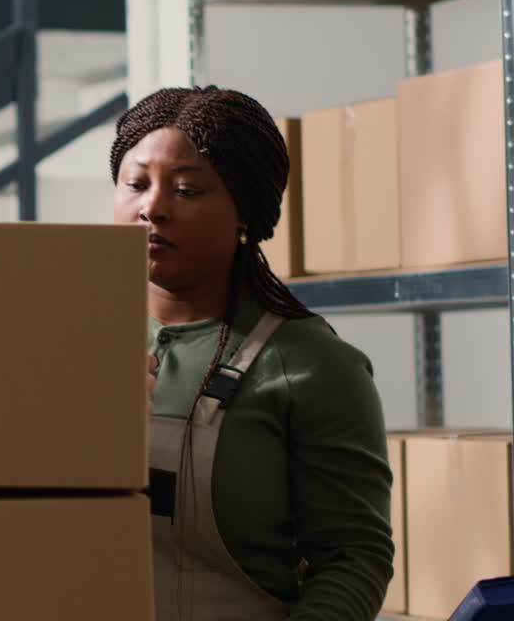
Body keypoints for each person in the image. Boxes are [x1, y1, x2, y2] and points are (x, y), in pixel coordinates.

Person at [111, 86, 393, 620]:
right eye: (136, 184)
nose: (152, 208)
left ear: (245, 211)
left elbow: (354, 558)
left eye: (188, 190)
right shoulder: (63, 343)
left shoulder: (312, 365)